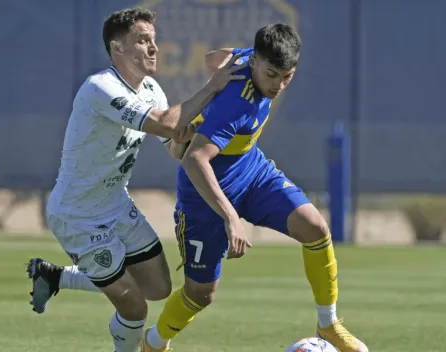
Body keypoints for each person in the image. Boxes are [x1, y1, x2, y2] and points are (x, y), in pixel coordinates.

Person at [26, 7, 245, 352]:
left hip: (115, 205)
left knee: (158, 288)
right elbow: (166, 123)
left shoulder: (151, 90)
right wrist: (212, 86)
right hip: (78, 215)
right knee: (134, 307)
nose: (153, 48)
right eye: (142, 40)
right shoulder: (101, 88)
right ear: (117, 48)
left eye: (153, 40)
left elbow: (174, 144)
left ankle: (54, 275)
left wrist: (206, 131)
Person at [140, 24, 368, 352]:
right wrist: (232, 218)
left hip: (252, 173)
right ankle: (154, 342)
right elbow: (193, 161)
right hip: (204, 197)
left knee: (316, 228)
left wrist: (214, 83)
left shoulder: (248, 58)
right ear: (257, 62)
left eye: (286, 76)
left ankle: (328, 324)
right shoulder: (238, 102)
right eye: (272, 75)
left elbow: (211, 58)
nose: (278, 85)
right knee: (200, 294)